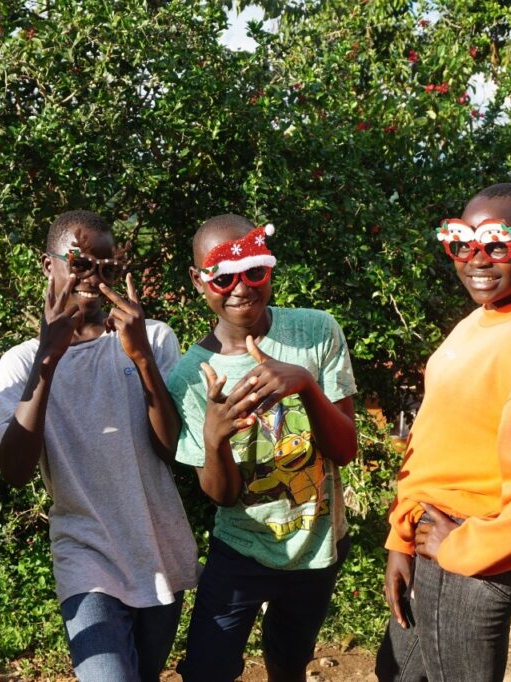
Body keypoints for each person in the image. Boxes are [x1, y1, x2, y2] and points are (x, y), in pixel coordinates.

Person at [375, 183, 511, 681]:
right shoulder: (483, 320)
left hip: (467, 556)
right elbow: (437, 439)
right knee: (397, 674)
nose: (477, 259)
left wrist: (465, 548)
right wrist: (401, 539)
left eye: (497, 244)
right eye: (461, 243)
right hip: (436, 541)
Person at [0, 210, 199, 682]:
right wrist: (47, 359)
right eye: (80, 264)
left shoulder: (154, 338)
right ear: (49, 267)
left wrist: (141, 355)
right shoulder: (19, 363)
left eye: (106, 268)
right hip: (85, 556)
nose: (93, 279)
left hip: (157, 548)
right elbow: (16, 471)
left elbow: (172, 450)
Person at [168, 214, 359, 682]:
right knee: (206, 671)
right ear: (199, 281)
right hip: (240, 550)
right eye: (223, 277)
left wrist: (307, 387)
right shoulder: (190, 377)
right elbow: (223, 495)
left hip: (315, 547)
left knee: (289, 663)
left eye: (254, 271)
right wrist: (215, 437)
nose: (241, 288)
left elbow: (345, 449)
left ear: (270, 268)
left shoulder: (315, 332)